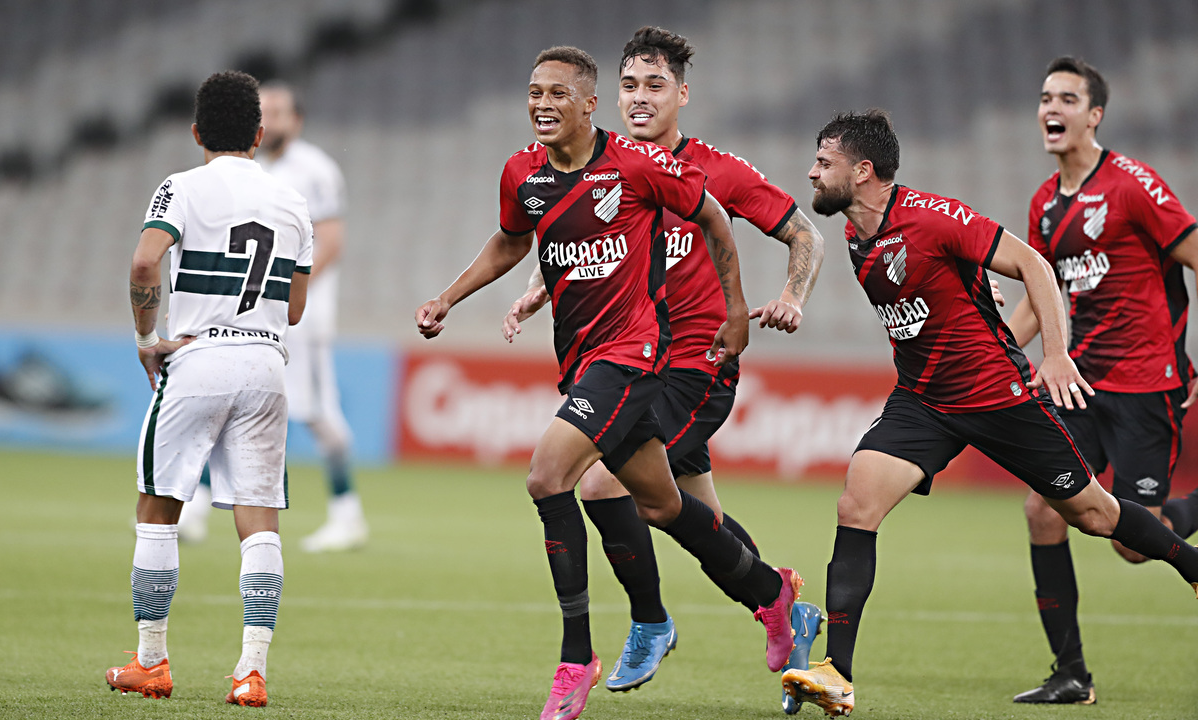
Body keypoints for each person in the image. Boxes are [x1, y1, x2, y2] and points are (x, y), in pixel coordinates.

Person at [416, 46, 804, 720]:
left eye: (558, 94)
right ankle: (772, 593)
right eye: (535, 92)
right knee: (662, 505)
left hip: (637, 355)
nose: (542, 104)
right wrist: (450, 297)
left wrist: (738, 311)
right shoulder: (523, 173)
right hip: (581, 358)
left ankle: (577, 659)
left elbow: (713, 216)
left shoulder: (637, 165)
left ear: (588, 105)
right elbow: (513, 240)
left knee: (550, 475)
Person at [780, 110, 1198, 718]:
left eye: (824, 163)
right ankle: (837, 673)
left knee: (1094, 515)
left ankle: (1190, 565)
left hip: (999, 398)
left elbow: (1035, 265)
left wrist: (1054, 356)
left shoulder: (934, 216)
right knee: (856, 503)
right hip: (923, 401)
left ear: (862, 171)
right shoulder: (854, 236)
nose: (811, 173)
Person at [104, 70, 313, 708]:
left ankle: (151, 662)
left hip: (199, 357)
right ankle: (251, 672)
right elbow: (296, 307)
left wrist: (148, 334)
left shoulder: (181, 187)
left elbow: (145, 261)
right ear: (258, 132)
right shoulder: (292, 200)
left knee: (158, 506)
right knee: (260, 521)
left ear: (196, 131)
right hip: (267, 365)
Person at [1002, 56, 1198, 704]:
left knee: (1133, 543)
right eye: (1043, 96)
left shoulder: (1134, 185)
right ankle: (1070, 674)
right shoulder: (1043, 203)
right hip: (1080, 381)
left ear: (1094, 115)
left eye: (1066, 97)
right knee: (1044, 508)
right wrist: (995, 349)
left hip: (1146, 381)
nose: (1050, 108)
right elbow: (1041, 296)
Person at [176, 81, 365, 552]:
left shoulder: (315, 169)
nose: (272, 119)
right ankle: (198, 507)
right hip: (255, 315)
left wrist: (285, 297)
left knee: (320, 415)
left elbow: (332, 243)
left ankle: (348, 513)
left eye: (280, 111)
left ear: (296, 120)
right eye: (266, 112)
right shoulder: (252, 171)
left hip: (302, 317)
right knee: (228, 398)